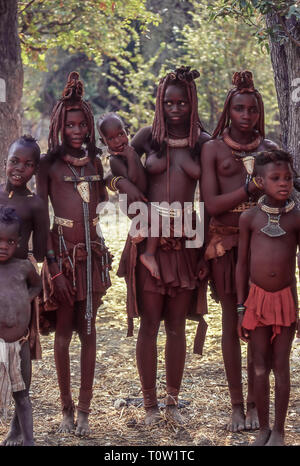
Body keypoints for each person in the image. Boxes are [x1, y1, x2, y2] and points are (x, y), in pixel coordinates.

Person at [113, 66, 211, 425]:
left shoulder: (202, 141)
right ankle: (150, 405)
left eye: (182, 101)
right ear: (159, 101)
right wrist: (122, 192)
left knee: (176, 327)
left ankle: (172, 403)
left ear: (192, 102)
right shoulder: (146, 138)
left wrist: (209, 244)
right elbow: (116, 165)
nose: (175, 108)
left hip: (187, 242)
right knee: (149, 325)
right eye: (169, 101)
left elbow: (215, 187)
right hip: (148, 242)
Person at [201, 70, 278, 431]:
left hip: (264, 248)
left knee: (259, 325)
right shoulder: (213, 149)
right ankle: (235, 404)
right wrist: (249, 190)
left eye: (253, 110)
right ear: (228, 112)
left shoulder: (270, 151)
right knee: (233, 324)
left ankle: (254, 404)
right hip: (225, 246)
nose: (246, 116)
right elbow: (212, 204)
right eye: (240, 109)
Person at [36, 71, 112, 436]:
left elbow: (104, 206)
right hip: (62, 257)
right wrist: (53, 269)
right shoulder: (49, 165)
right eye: (70, 125)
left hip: (92, 257)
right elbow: (40, 219)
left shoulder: (96, 163)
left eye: (83, 124)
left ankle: (84, 410)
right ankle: (65, 409)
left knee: (90, 331)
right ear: (58, 126)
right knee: (64, 333)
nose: (77, 130)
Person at [236, 149, 300, 446]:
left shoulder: (296, 220)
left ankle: (279, 430)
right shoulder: (249, 218)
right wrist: (240, 307)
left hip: (285, 299)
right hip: (256, 301)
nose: (284, 183)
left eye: (288, 177)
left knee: (281, 366)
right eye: (276, 178)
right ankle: (262, 428)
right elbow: (241, 265)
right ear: (259, 181)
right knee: (259, 366)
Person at [0, 135, 47, 446]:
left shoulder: (35, 205)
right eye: (15, 160)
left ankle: (21, 432)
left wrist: (29, 288)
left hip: (19, 285)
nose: (19, 168)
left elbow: (41, 250)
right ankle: (16, 432)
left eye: (28, 164)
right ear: (6, 159)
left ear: (35, 170)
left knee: (22, 369)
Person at [0, 206, 42, 446]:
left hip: (20, 344)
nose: (3, 246)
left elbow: (36, 286)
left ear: (17, 243)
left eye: (9, 241)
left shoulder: (23, 268)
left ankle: (29, 441)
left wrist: (24, 300)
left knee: (23, 396)